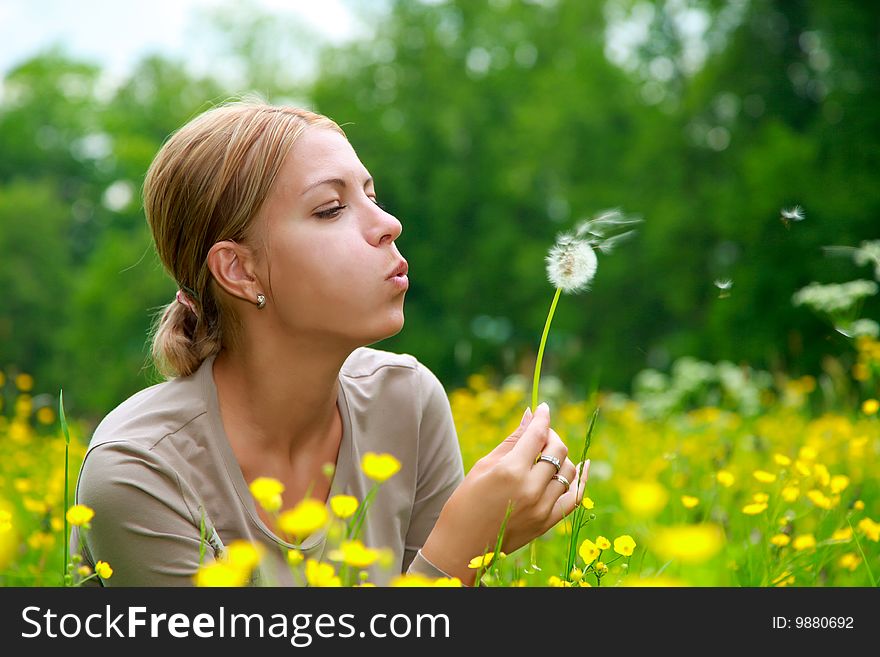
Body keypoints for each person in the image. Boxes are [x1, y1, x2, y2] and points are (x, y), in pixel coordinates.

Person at [70, 100, 589, 586]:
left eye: (373, 196)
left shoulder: (406, 403)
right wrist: (461, 551)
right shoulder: (140, 470)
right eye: (331, 208)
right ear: (239, 270)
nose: (389, 225)